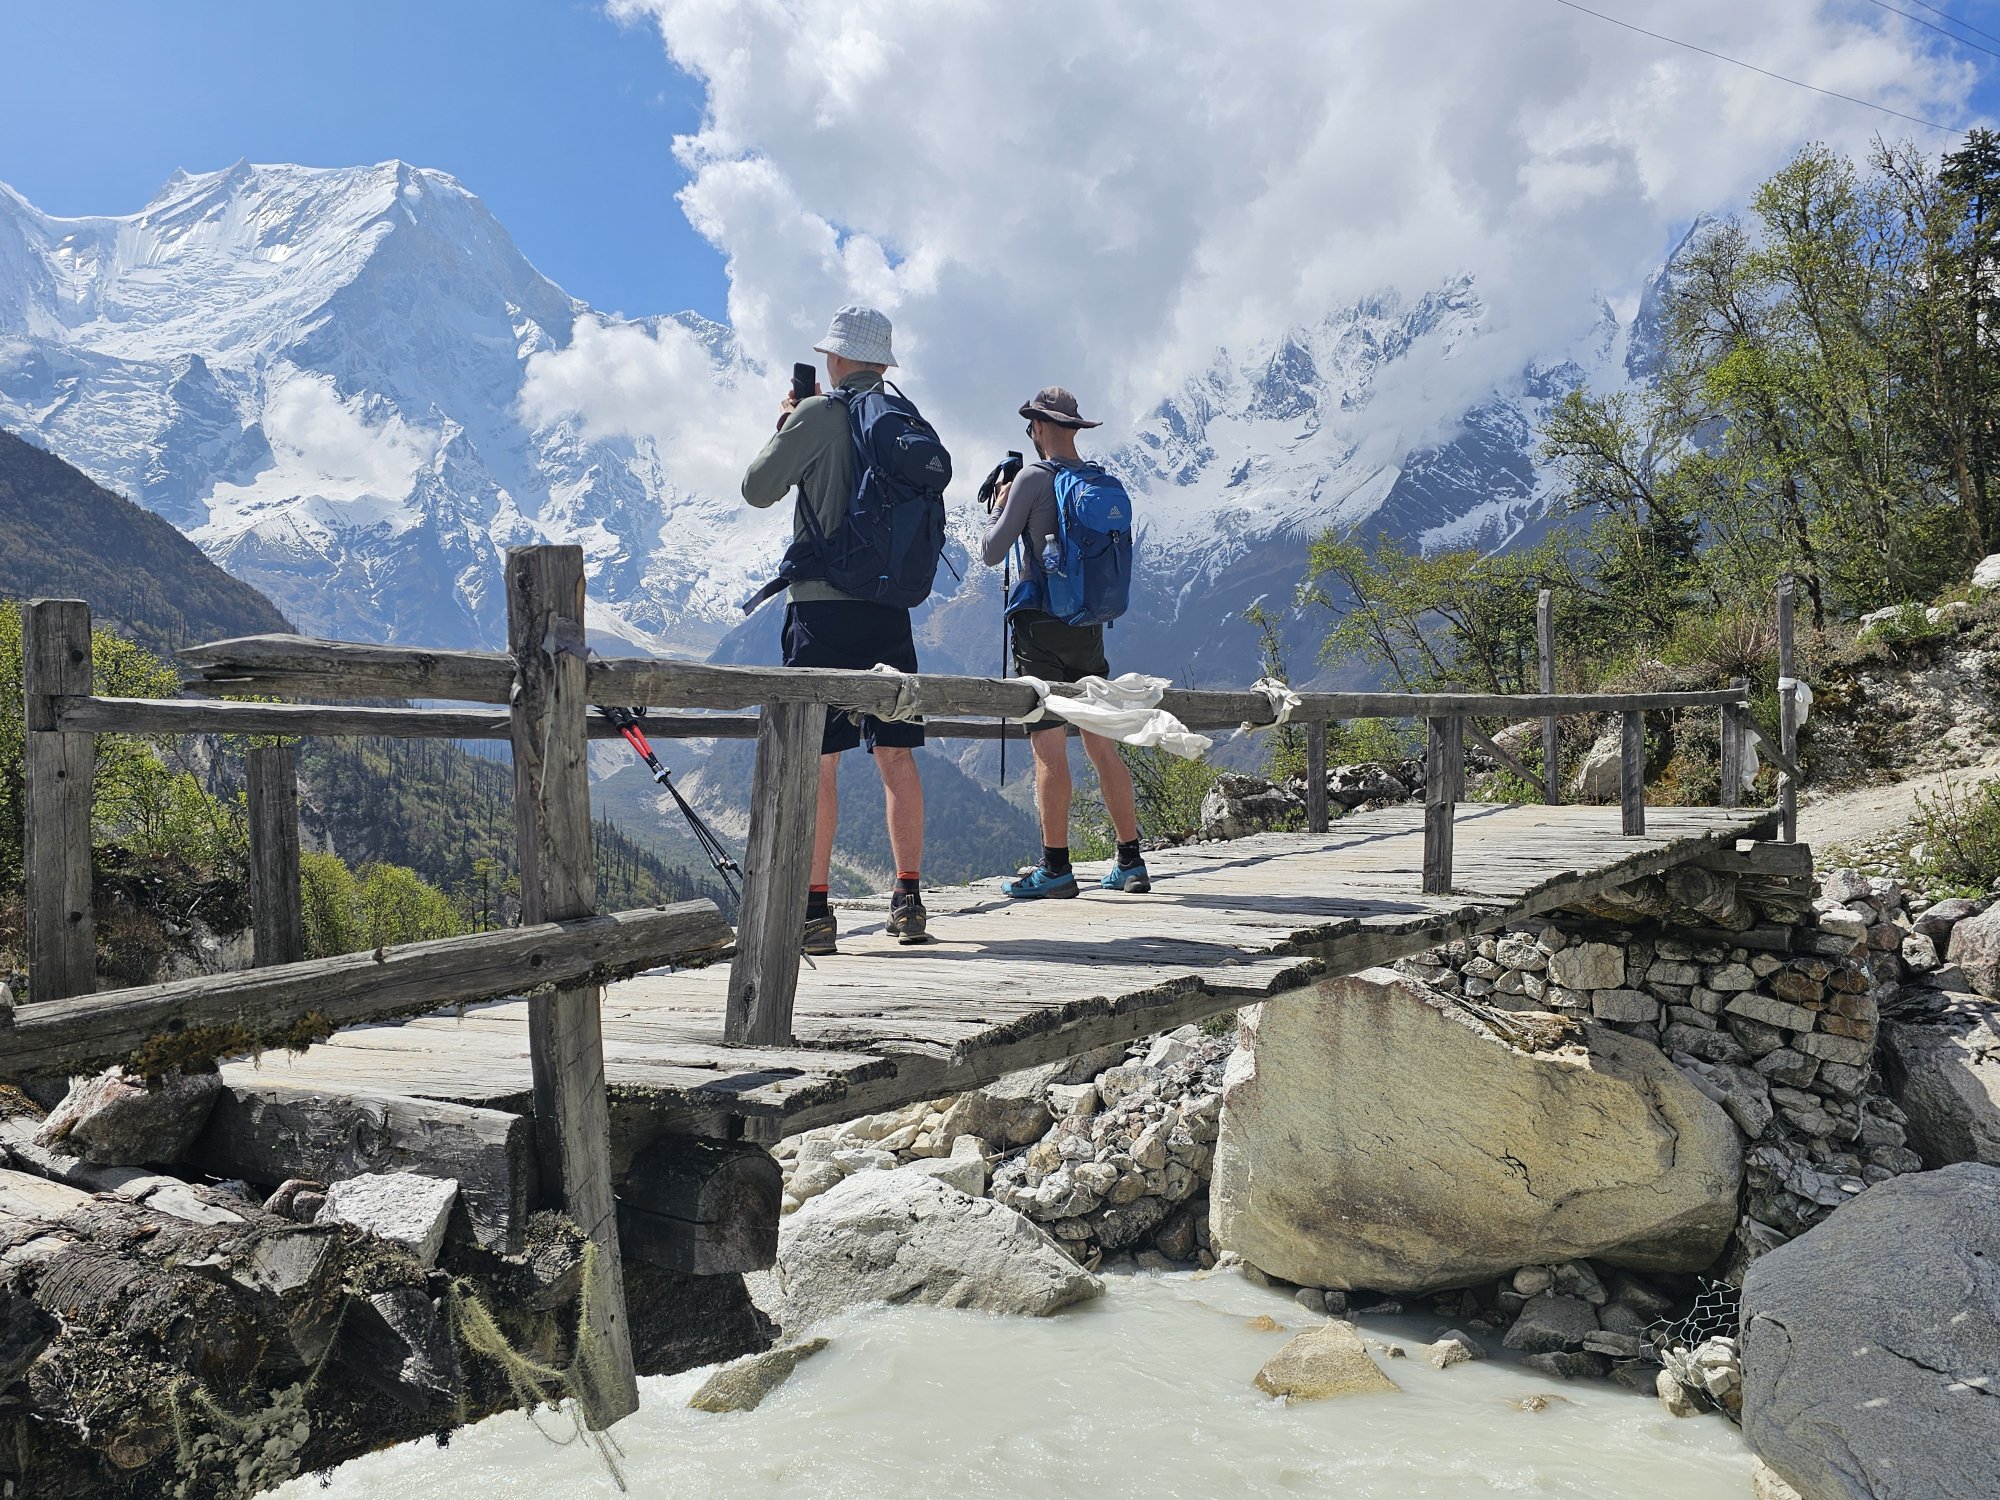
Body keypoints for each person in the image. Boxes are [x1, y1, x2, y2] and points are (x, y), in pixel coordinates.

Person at [741, 305, 929, 952]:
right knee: (896, 754)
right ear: (883, 361)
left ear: (836, 358)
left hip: (820, 608)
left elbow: (757, 488)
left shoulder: (818, 414)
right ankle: (907, 900)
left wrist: (787, 425)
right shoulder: (905, 421)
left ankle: (815, 912)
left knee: (817, 762)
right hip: (890, 612)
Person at [981, 386, 1149, 898]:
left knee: (1049, 751)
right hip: (1089, 626)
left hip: (1042, 630)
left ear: (1038, 427)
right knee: (1102, 745)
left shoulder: (1032, 478)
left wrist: (1002, 505)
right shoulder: (1097, 482)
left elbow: (992, 552)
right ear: (1074, 428)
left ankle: (1055, 867)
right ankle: (1131, 861)